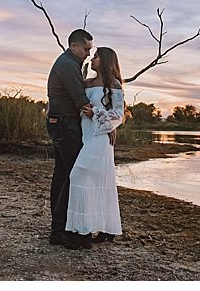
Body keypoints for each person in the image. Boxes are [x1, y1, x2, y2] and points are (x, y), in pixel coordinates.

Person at [64, 47, 125, 250]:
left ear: (106, 61)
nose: (92, 58)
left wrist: (97, 114)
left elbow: (118, 115)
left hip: (100, 137)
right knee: (93, 182)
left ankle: (84, 234)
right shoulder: (86, 83)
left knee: (78, 175)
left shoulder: (114, 85)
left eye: (96, 56)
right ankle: (99, 228)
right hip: (86, 135)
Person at [46, 29, 94, 246]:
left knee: (63, 173)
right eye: (86, 49)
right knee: (72, 174)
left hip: (60, 122)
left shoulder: (70, 63)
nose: (88, 54)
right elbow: (81, 100)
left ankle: (59, 227)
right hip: (65, 124)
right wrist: (107, 121)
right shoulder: (68, 64)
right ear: (74, 46)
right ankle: (60, 229)